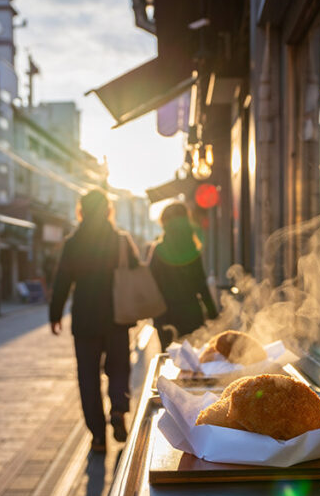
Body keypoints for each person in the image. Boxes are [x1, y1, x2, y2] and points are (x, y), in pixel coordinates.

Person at [49, 190, 140, 453]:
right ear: (107, 210)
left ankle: (98, 437)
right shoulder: (120, 240)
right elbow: (135, 272)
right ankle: (119, 410)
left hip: (85, 318)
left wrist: (55, 314)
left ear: (82, 211)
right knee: (119, 367)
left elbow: (62, 281)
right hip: (117, 316)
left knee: (88, 376)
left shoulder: (73, 242)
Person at [147, 202, 218, 349]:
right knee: (193, 361)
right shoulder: (191, 251)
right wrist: (214, 315)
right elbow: (201, 286)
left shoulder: (158, 250)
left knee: (169, 360)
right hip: (191, 314)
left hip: (165, 315)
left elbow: (150, 284)